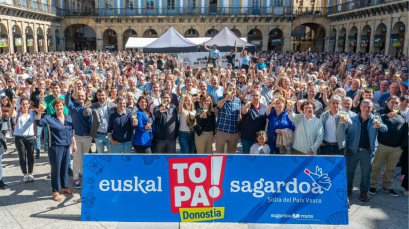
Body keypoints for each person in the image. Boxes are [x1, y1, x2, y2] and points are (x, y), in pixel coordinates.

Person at [344, 99, 388, 202]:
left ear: (372, 108)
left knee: (366, 173)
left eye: (369, 107)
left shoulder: (376, 119)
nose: (366, 109)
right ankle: (348, 188)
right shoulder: (352, 119)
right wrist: (345, 145)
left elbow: (385, 129)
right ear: (360, 107)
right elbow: (344, 133)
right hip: (352, 150)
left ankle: (364, 191)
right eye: (364, 106)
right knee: (349, 172)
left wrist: (380, 126)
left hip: (368, 151)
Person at [36, 98, 77, 202]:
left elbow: (71, 131)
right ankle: (55, 191)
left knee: (65, 168)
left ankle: (64, 187)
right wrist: (39, 113)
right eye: (57, 106)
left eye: (61, 105)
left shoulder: (68, 117)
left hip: (66, 146)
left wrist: (74, 144)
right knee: (56, 169)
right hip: (55, 147)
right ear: (54, 107)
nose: (59, 107)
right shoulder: (49, 117)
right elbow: (39, 123)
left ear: (63, 106)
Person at [369, 96, 408, 197]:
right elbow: (374, 118)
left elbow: (404, 131)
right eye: (392, 102)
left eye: (396, 102)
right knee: (376, 166)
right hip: (382, 145)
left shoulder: (402, 115)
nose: (394, 104)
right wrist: (386, 115)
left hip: (396, 148)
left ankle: (387, 187)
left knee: (390, 169)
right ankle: (372, 185)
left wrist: (402, 145)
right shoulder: (381, 112)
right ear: (387, 103)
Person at [65, 88, 92, 189]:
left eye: (82, 96)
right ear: (76, 97)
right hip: (76, 136)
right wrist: (68, 92)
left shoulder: (88, 106)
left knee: (84, 157)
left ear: (85, 97)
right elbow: (67, 102)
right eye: (79, 96)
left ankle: (81, 173)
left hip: (87, 136)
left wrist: (87, 109)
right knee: (76, 158)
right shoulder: (73, 106)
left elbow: (90, 120)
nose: (80, 97)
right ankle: (75, 179)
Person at [84, 89, 117, 153]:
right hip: (99, 135)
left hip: (110, 135)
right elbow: (86, 114)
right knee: (100, 155)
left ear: (106, 95)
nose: (101, 97)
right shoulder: (93, 105)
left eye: (102, 95)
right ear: (97, 96)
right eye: (99, 95)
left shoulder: (113, 106)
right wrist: (87, 107)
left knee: (111, 154)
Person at [216, 82, 241, 154]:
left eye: (233, 89)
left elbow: (239, 116)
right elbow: (218, 106)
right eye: (230, 88)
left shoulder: (238, 100)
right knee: (219, 154)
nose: (232, 90)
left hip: (234, 132)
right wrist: (225, 98)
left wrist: (239, 130)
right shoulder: (221, 98)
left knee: (231, 156)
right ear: (226, 89)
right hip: (222, 131)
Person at [240, 89, 267, 154]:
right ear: (251, 97)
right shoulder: (247, 106)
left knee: (258, 160)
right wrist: (245, 107)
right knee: (246, 159)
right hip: (247, 138)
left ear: (260, 97)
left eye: (257, 95)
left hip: (259, 140)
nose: (255, 97)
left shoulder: (265, 107)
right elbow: (243, 111)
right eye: (253, 95)